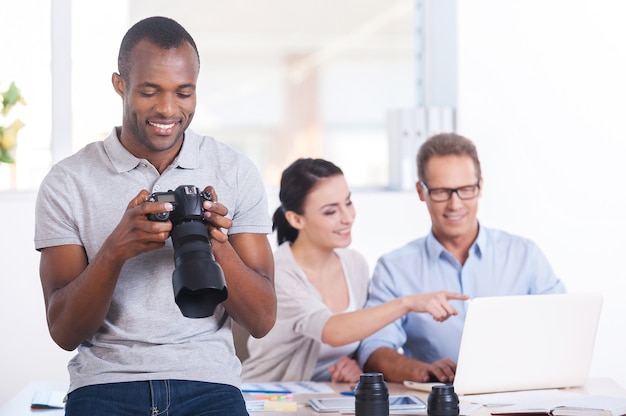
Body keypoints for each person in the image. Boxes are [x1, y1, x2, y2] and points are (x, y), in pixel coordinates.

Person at [34, 16, 276, 415]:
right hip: (105, 385)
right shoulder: (69, 181)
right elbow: (64, 331)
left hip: (208, 383)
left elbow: (263, 320)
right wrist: (115, 251)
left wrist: (217, 245)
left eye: (184, 93)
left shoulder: (234, 170)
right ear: (120, 85)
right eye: (150, 91)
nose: (168, 109)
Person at [357, 132, 566, 383]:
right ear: (420, 191)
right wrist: (422, 371)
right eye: (442, 191)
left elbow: (562, 327)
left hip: (520, 395)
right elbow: (374, 349)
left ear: (480, 187)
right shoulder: (394, 268)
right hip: (437, 403)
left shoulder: (524, 255)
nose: (455, 204)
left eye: (466, 190)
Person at [241, 158, 467, 383]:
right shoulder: (280, 271)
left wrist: (354, 365)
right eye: (331, 212)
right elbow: (333, 332)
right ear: (296, 219)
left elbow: (360, 332)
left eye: (348, 203)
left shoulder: (354, 264)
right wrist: (407, 303)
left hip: (327, 398)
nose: (348, 218)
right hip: (270, 397)